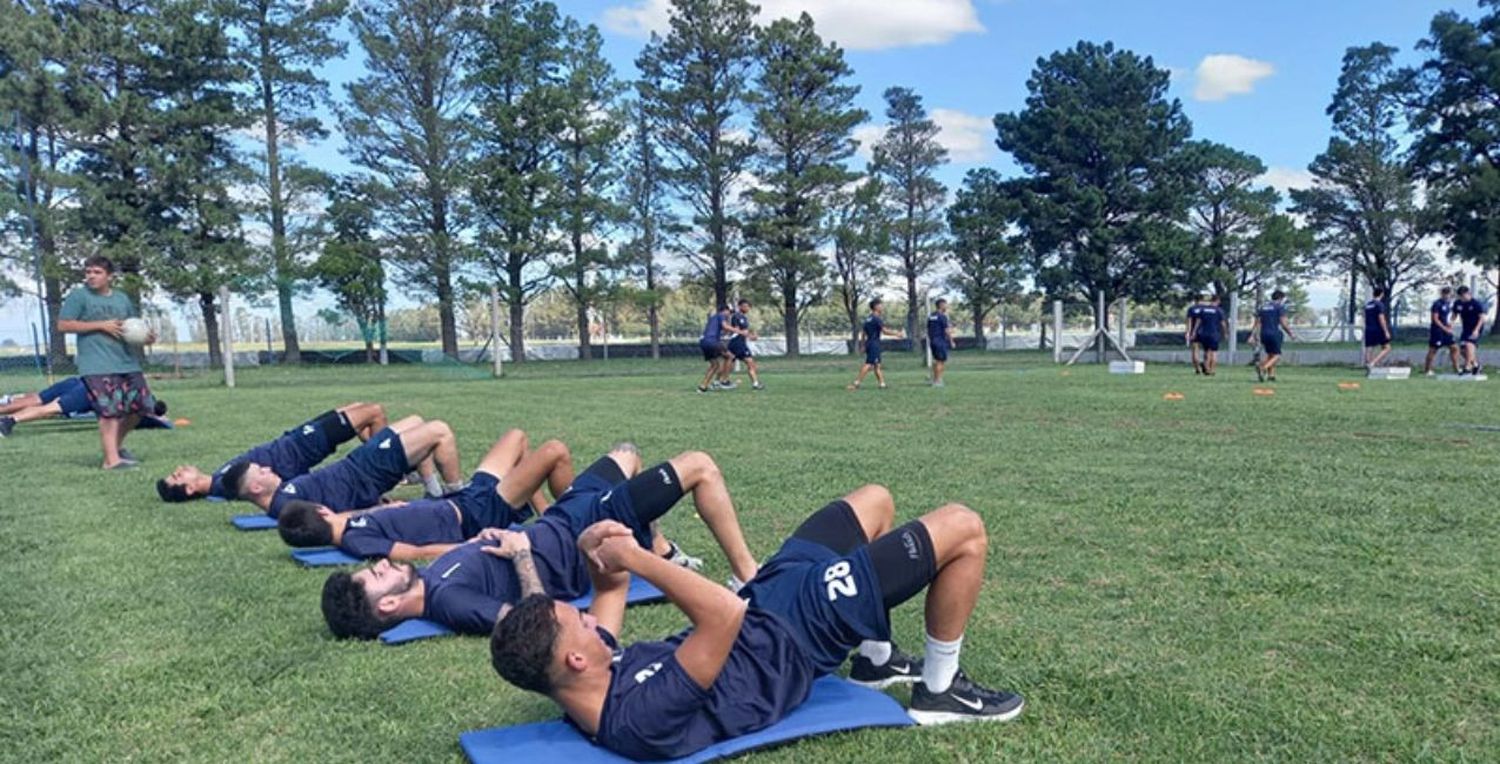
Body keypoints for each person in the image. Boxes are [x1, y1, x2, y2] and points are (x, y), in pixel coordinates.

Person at [490, 484, 1023, 761]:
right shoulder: (637, 718)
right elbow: (724, 614)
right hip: (798, 632)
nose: (590, 619)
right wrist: (638, 557)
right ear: (573, 660)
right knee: (964, 527)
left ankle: (875, 660)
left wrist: (594, 550)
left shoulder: (593, 668)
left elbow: (608, 588)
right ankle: (940, 689)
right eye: (578, 621)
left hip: (771, 600)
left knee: (873, 501)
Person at [319, 446, 760, 639]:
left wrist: (480, 539)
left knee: (626, 453)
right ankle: (751, 580)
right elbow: (534, 623)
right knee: (699, 466)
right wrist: (522, 552)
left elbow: (468, 559)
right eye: (378, 574)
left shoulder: (432, 579)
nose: (382, 564)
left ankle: (660, 548)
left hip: (563, 517)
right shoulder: (451, 603)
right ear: (388, 607)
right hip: (578, 538)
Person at [277, 430, 575, 561]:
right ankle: (569, 525)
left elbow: (352, 516)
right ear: (321, 510)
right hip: (476, 513)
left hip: (466, 497)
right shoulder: (356, 541)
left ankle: (547, 518)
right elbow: (415, 554)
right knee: (555, 452)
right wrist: (468, 546)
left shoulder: (344, 524)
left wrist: (388, 507)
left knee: (517, 438)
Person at [221, 415, 462, 519]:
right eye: (260, 472)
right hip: (367, 473)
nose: (266, 468)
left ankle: (432, 492)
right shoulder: (285, 508)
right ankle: (459, 497)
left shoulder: (281, 495)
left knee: (416, 422)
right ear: (255, 487)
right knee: (440, 431)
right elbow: (331, 519)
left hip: (359, 462)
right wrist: (378, 511)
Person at [155, 402, 389, 503]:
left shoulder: (219, 477)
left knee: (359, 409)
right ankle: (388, 465)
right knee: (374, 413)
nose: (179, 470)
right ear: (189, 489)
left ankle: (387, 456)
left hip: (296, 438)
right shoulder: (225, 485)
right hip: (302, 446)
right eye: (178, 477)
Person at [56, 256, 157, 469]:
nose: (91, 276)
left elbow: (132, 327)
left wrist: (145, 337)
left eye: (97, 272)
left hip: (127, 362)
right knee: (109, 411)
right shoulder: (78, 297)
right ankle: (111, 461)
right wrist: (100, 325)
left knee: (142, 408)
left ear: (109, 276)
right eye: (88, 272)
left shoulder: (121, 299)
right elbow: (63, 325)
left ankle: (116, 449)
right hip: (97, 364)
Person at [0, 377, 169, 437]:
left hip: (80, 381)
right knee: (50, 408)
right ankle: (9, 421)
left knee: (37, 399)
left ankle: (5, 412)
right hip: (88, 393)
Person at [849, 299, 904, 390]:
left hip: (869, 343)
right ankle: (856, 384)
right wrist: (897, 334)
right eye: (881, 305)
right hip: (874, 343)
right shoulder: (876, 318)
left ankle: (882, 384)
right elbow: (884, 331)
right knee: (869, 364)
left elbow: (863, 333)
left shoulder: (868, 319)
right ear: (876, 307)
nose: (882, 307)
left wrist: (863, 345)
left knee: (877, 365)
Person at [1248, 290, 1297, 383]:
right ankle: (1263, 367)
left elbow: (1257, 323)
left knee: (1270, 354)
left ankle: (1271, 375)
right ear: (1280, 298)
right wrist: (1291, 334)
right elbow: (1283, 323)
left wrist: (1252, 336)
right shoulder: (1279, 307)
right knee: (1277, 355)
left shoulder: (1263, 307)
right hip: (1274, 333)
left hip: (1263, 334)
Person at [722, 299, 764, 391]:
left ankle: (724, 380)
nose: (747, 308)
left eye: (748, 306)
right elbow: (738, 331)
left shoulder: (743, 318)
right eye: (745, 306)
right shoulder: (737, 317)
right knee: (747, 362)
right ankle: (723, 381)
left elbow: (744, 331)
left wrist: (750, 335)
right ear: (740, 306)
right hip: (737, 343)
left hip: (740, 343)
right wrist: (750, 336)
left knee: (736, 362)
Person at [1423, 286, 1460, 376]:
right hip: (1437, 331)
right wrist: (1444, 328)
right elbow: (1435, 319)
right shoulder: (1437, 304)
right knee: (1433, 350)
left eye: (1449, 294)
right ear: (1442, 294)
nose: (1447, 296)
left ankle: (1457, 368)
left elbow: (1451, 316)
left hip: (1446, 331)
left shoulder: (1448, 304)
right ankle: (1427, 370)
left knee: (1454, 348)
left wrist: (1450, 324)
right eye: (1446, 294)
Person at [697, 305, 735, 393]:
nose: (730, 314)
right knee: (730, 356)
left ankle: (703, 387)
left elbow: (725, 331)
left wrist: (729, 327)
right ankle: (724, 381)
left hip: (704, 342)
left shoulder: (714, 318)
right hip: (712, 342)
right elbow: (726, 327)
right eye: (730, 312)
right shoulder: (720, 315)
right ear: (725, 310)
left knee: (715, 365)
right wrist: (739, 331)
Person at [1454, 285, 1489, 375]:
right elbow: (1454, 314)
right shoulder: (1458, 303)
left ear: (1468, 294)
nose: (1462, 298)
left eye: (1463, 295)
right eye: (1460, 296)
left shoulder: (1476, 303)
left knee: (1469, 344)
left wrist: (1476, 330)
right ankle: (1476, 365)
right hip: (1466, 328)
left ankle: (1467, 367)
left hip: (1476, 327)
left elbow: (1481, 318)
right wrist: (1450, 323)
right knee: (1462, 350)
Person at [1193, 295, 1227, 376]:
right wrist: (1225, 333)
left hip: (1204, 333)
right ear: (1217, 301)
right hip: (1214, 334)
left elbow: (1198, 322)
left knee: (1207, 351)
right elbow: (1223, 324)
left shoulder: (1203, 310)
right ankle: (1212, 370)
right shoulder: (1219, 310)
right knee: (1214, 352)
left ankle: (1207, 368)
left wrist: (1194, 331)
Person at [1362, 287, 1393, 371]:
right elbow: (1381, 318)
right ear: (1381, 294)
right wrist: (1386, 331)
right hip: (1378, 328)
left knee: (1369, 348)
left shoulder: (1368, 305)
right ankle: (1373, 363)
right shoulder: (1379, 304)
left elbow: (1365, 317)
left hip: (1368, 328)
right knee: (1387, 348)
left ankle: (1368, 365)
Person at [927, 299, 955, 387]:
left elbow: (928, 328)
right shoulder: (942, 316)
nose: (946, 307)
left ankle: (936, 379)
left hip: (932, 341)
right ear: (941, 305)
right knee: (941, 361)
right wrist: (952, 341)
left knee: (937, 361)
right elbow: (947, 330)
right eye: (945, 305)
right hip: (940, 341)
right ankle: (937, 381)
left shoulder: (931, 316)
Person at [1184, 295, 1207, 374]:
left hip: (1194, 332)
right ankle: (1205, 364)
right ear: (1202, 300)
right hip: (1206, 331)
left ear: (1195, 300)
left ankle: (1197, 369)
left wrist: (1188, 332)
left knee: (1195, 350)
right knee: (1207, 350)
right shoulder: (1206, 309)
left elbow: (1189, 321)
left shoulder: (1191, 309)